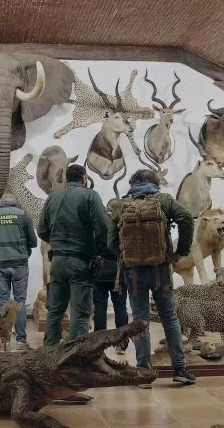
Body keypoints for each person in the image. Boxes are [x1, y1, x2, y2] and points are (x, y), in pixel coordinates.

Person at [108, 169, 196, 387]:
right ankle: (180, 370)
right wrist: (181, 251)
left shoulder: (121, 205)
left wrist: (122, 253)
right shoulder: (163, 200)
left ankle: (143, 372)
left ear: (132, 183)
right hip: (161, 270)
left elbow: (110, 242)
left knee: (140, 320)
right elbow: (186, 216)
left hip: (133, 272)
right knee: (169, 317)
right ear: (155, 183)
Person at [38, 164, 110, 346]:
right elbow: (104, 228)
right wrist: (99, 250)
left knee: (55, 310)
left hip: (58, 261)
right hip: (80, 262)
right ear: (84, 179)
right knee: (80, 312)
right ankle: (74, 358)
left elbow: (42, 231)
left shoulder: (52, 197)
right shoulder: (90, 196)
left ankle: (49, 355)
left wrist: (57, 242)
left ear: (66, 179)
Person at [0, 195, 37, 350]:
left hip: (0, 264)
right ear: (15, 203)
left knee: (3, 302)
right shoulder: (23, 215)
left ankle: (5, 341)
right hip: (20, 264)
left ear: (0, 204)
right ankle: (21, 341)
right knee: (19, 303)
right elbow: (34, 242)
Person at [92, 199, 129, 354]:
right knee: (120, 307)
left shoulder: (98, 224)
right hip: (119, 271)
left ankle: (99, 346)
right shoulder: (125, 224)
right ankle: (121, 344)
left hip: (99, 271)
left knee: (99, 308)